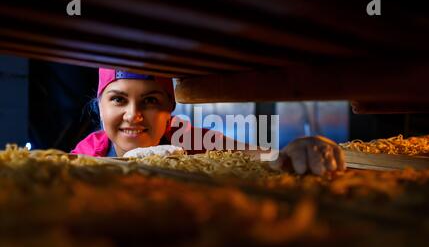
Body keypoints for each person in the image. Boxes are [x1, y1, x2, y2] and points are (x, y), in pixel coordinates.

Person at [72, 68, 345, 175]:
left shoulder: (188, 138)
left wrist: (300, 149)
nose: (133, 115)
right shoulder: (86, 155)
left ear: (170, 108)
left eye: (151, 101)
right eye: (118, 100)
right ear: (100, 106)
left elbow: (265, 157)